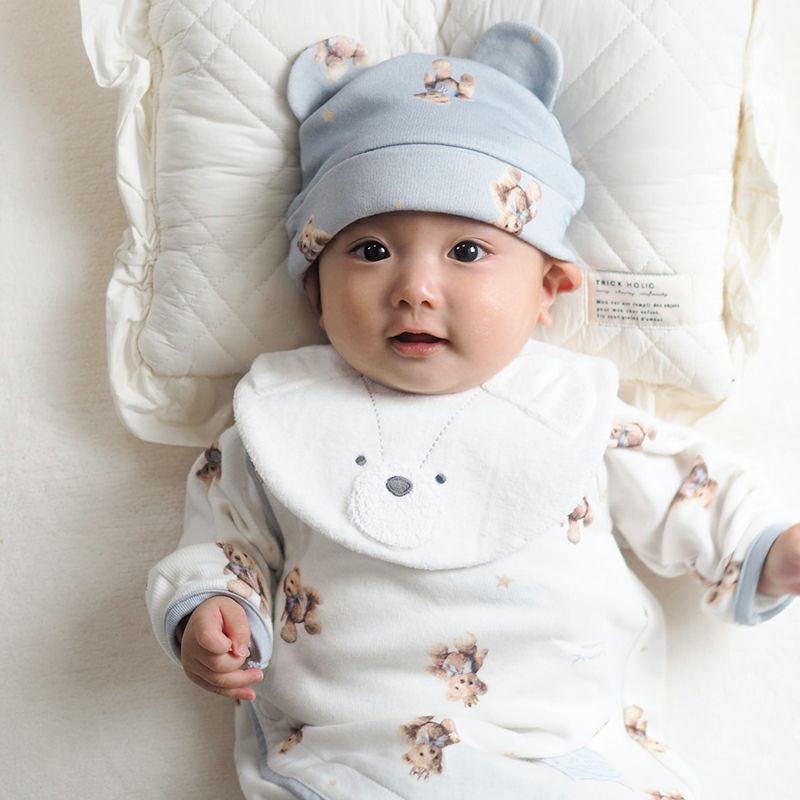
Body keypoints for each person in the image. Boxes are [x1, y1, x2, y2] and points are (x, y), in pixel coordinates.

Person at [146, 22, 800, 800]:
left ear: (548, 291)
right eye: (370, 250)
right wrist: (212, 608)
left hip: (567, 754)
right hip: (350, 756)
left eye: (466, 252)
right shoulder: (280, 419)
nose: (415, 289)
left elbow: (693, 490)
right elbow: (224, 540)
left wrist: (773, 546)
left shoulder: (573, 408)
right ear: (314, 289)